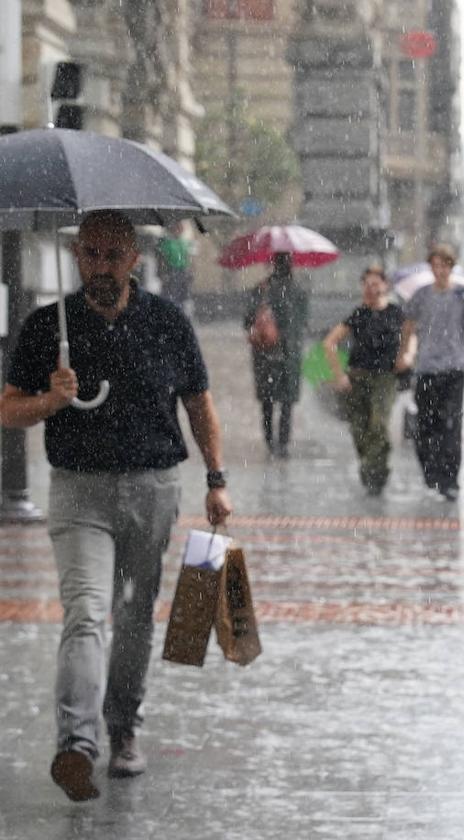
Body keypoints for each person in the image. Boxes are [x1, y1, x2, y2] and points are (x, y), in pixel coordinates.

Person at [0, 210, 234, 802]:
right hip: (79, 490)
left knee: (132, 618)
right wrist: (49, 401)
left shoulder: (167, 322)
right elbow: (7, 408)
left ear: (134, 259)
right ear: (78, 255)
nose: (101, 267)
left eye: (113, 256)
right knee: (85, 610)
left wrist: (215, 478)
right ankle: (76, 744)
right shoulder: (46, 326)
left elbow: (199, 406)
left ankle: (123, 726)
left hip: (152, 488)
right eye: (91, 255)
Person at [398, 244, 464, 501]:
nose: (439, 270)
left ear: (451, 267)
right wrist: (404, 353)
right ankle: (431, 474)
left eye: (444, 265)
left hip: (454, 369)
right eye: (435, 265)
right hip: (427, 369)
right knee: (427, 426)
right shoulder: (421, 295)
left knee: (451, 424)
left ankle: (450, 480)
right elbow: (408, 326)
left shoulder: (463, 295)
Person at [321, 266, 405, 495]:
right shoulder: (359, 314)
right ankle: (371, 466)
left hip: (385, 379)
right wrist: (339, 375)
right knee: (359, 429)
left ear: (385, 286)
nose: (371, 289)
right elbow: (329, 343)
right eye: (367, 284)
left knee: (378, 425)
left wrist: (405, 356)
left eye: (376, 284)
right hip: (358, 377)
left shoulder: (396, 313)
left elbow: (411, 334)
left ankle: (375, 473)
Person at [243, 252, 309, 458]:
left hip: (265, 354)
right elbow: (303, 322)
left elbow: (246, 321)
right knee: (287, 402)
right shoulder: (299, 291)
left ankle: (270, 441)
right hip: (289, 354)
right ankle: (283, 443)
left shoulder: (260, 289)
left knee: (267, 401)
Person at [155, 221, 193, 315]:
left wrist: (189, 270)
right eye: (177, 228)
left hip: (182, 271)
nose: (179, 231)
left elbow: (186, 258)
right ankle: (169, 313)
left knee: (182, 296)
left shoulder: (182, 242)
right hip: (171, 270)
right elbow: (162, 259)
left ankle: (179, 313)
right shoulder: (166, 242)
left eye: (180, 229)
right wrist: (163, 273)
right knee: (170, 294)